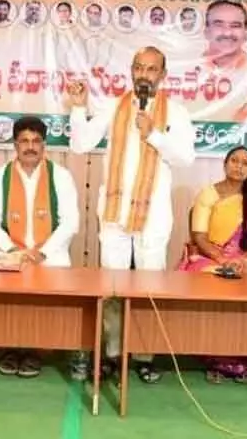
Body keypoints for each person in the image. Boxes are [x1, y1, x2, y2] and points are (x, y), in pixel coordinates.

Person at [68, 45, 196, 384]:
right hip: (114, 212)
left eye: (151, 69)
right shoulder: (114, 107)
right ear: (131, 71)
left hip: (153, 216)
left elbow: (186, 157)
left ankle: (144, 353)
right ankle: (112, 352)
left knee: (148, 285)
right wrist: (79, 109)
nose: (144, 74)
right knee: (113, 285)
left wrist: (152, 133)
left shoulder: (177, 113)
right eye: (139, 67)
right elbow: (80, 145)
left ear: (163, 76)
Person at [0, 116, 82, 379]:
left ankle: (38, 350)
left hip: (49, 252)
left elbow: (70, 223)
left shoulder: (60, 176)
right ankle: (7, 348)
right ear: (15, 145)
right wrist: (13, 251)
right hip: (8, 250)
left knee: (56, 275)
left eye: (36, 141)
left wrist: (41, 252)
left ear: (44, 145)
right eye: (24, 141)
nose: (30, 147)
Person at [177, 145, 247, 383]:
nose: (239, 166)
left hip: (246, 259)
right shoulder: (208, 194)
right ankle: (215, 358)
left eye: (245, 163)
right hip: (210, 257)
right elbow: (199, 236)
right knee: (213, 283)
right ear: (225, 164)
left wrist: (243, 261)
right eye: (234, 161)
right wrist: (222, 260)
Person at [202, 0, 247, 70]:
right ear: (206, 31)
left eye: (235, 25)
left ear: (246, 33)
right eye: (219, 25)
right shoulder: (188, 66)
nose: (227, 32)